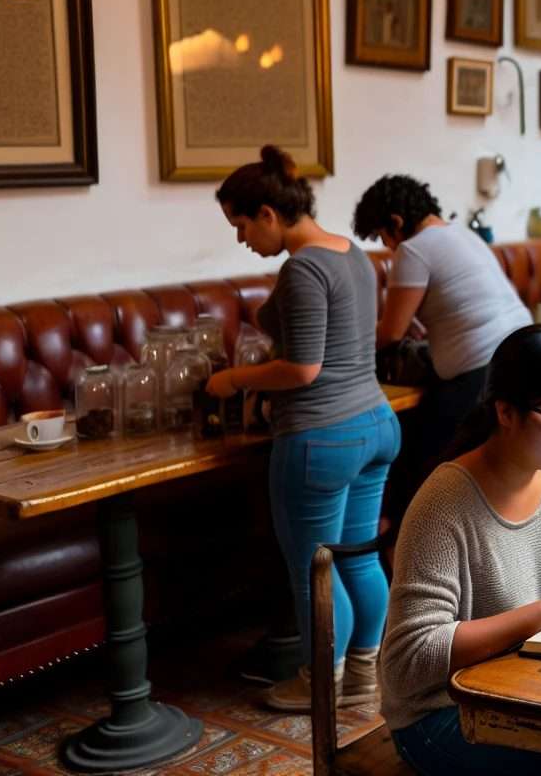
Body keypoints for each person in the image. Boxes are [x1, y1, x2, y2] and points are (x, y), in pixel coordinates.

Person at [380, 325, 541, 776]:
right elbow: (410, 660)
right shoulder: (445, 503)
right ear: (506, 412)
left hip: (521, 684)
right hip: (442, 713)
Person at [206, 145, 400, 712]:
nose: (241, 239)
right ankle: (362, 676)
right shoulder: (353, 254)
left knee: (312, 569)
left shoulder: (304, 267)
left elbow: (303, 368)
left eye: (241, 225)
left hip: (323, 437)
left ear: (268, 213)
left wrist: (235, 380)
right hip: (375, 425)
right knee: (356, 557)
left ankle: (321, 681)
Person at [351, 173, 532, 526]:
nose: (387, 246)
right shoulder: (461, 233)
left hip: (482, 372)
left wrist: (345, 333)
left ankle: (400, 544)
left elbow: (390, 334)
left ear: (396, 223)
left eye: (382, 236)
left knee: (413, 460)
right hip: (525, 355)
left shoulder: (414, 249)